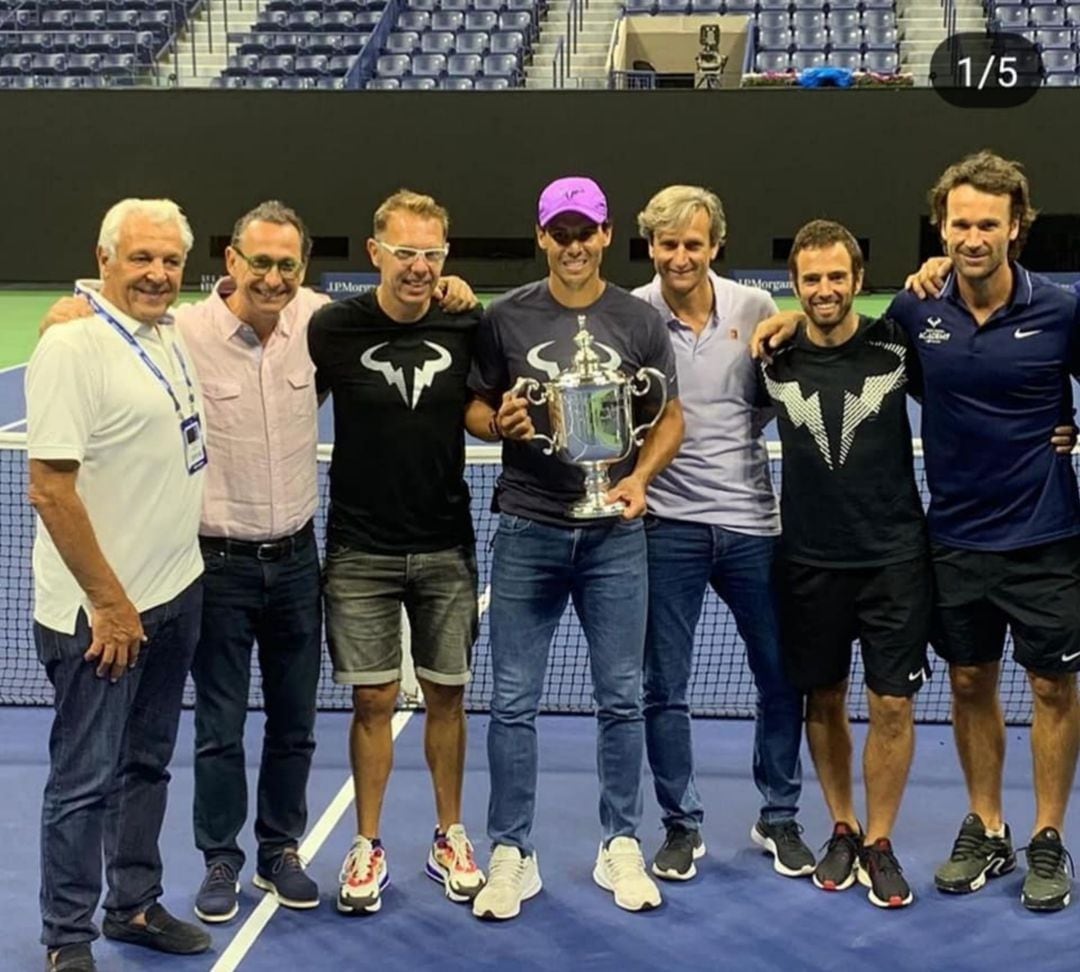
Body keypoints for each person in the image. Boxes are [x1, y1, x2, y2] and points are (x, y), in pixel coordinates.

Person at [41, 201, 480, 925]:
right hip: (216, 564)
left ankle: (281, 849)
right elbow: (112, 318)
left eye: (287, 265)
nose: (273, 278)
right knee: (218, 725)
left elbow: (410, 291)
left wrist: (448, 283)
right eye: (260, 263)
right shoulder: (181, 330)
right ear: (232, 261)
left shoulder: (321, 324)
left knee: (294, 721)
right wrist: (71, 314)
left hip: (300, 558)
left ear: (302, 270)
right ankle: (221, 859)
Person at [755, 151, 1080, 913]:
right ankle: (988, 826)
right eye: (960, 223)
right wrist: (784, 318)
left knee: (1053, 688)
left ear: (1017, 228)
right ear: (942, 227)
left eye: (988, 224)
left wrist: (1065, 429)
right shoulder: (913, 315)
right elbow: (836, 331)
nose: (974, 237)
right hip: (955, 537)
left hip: (1045, 534)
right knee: (970, 683)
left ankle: (1047, 836)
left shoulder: (1062, 310)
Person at [465, 176, 685, 920]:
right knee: (513, 704)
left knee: (622, 699)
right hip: (528, 526)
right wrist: (499, 422)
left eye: (584, 231)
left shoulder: (637, 320)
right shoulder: (505, 318)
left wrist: (640, 479)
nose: (572, 246)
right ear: (541, 237)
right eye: (559, 233)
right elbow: (476, 404)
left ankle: (620, 841)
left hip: (615, 537)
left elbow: (670, 417)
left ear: (605, 233)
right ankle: (509, 852)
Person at [28, 199, 210, 972]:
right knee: (83, 783)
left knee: (146, 765)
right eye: (141, 258)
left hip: (174, 596)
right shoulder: (74, 346)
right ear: (104, 259)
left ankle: (132, 902)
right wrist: (109, 603)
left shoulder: (169, 334)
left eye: (170, 261)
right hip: (101, 618)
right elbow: (49, 490)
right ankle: (68, 937)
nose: (157, 274)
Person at [308, 190, 486, 916]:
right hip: (359, 549)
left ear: (446, 257)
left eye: (432, 254)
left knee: (448, 694)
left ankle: (449, 833)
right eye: (405, 252)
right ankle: (369, 842)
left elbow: (485, 403)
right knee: (373, 698)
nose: (419, 267)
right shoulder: (334, 328)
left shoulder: (468, 321)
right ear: (374, 252)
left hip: (445, 543)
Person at [630, 185, 812, 882]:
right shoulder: (632, 314)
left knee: (779, 677)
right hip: (666, 527)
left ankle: (780, 815)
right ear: (651, 247)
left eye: (694, 244)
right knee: (664, 687)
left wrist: (794, 319)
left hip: (751, 527)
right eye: (669, 244)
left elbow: (764, 400)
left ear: (715, 246)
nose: (681, 256)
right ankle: (681, 824)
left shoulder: (755, 308)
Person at [760, 220, 930, 908]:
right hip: (807, 560)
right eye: (812, 280)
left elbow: (972, 394)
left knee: (892, 703)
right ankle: (842, 825)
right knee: (822, 700)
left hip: (894, 559)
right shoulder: (772, 357)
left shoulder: (897, 341)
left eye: (838, 277)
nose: (825, 290)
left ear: (859, 281)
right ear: (794, 287)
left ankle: (880, 841)